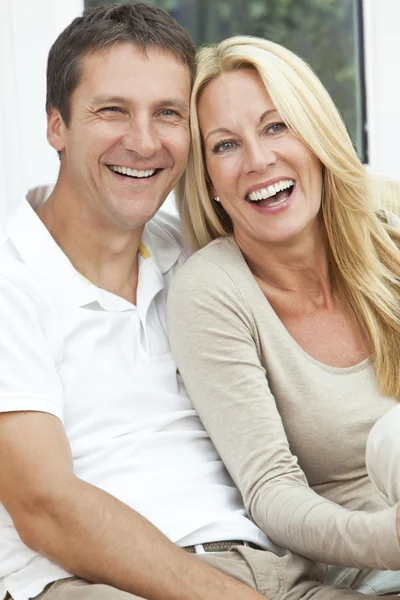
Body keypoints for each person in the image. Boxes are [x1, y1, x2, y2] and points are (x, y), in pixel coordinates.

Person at [0, 5, 386, 600]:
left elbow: (337, 208)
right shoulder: (12, 279)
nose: (143, 141)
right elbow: (45, 506)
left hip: (281, 574)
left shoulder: (194, 251)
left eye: (168, 115)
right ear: (56, 125)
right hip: (101, 583)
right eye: (112, 111)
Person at [167, 35, 400, 595]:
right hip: (375, 565)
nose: (258, 160)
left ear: (315, 135)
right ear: (207, 180)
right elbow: (270, 488)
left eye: (276, 127)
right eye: (225, 146)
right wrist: (385, 539)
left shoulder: (386, 224)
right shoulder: (213, 291)